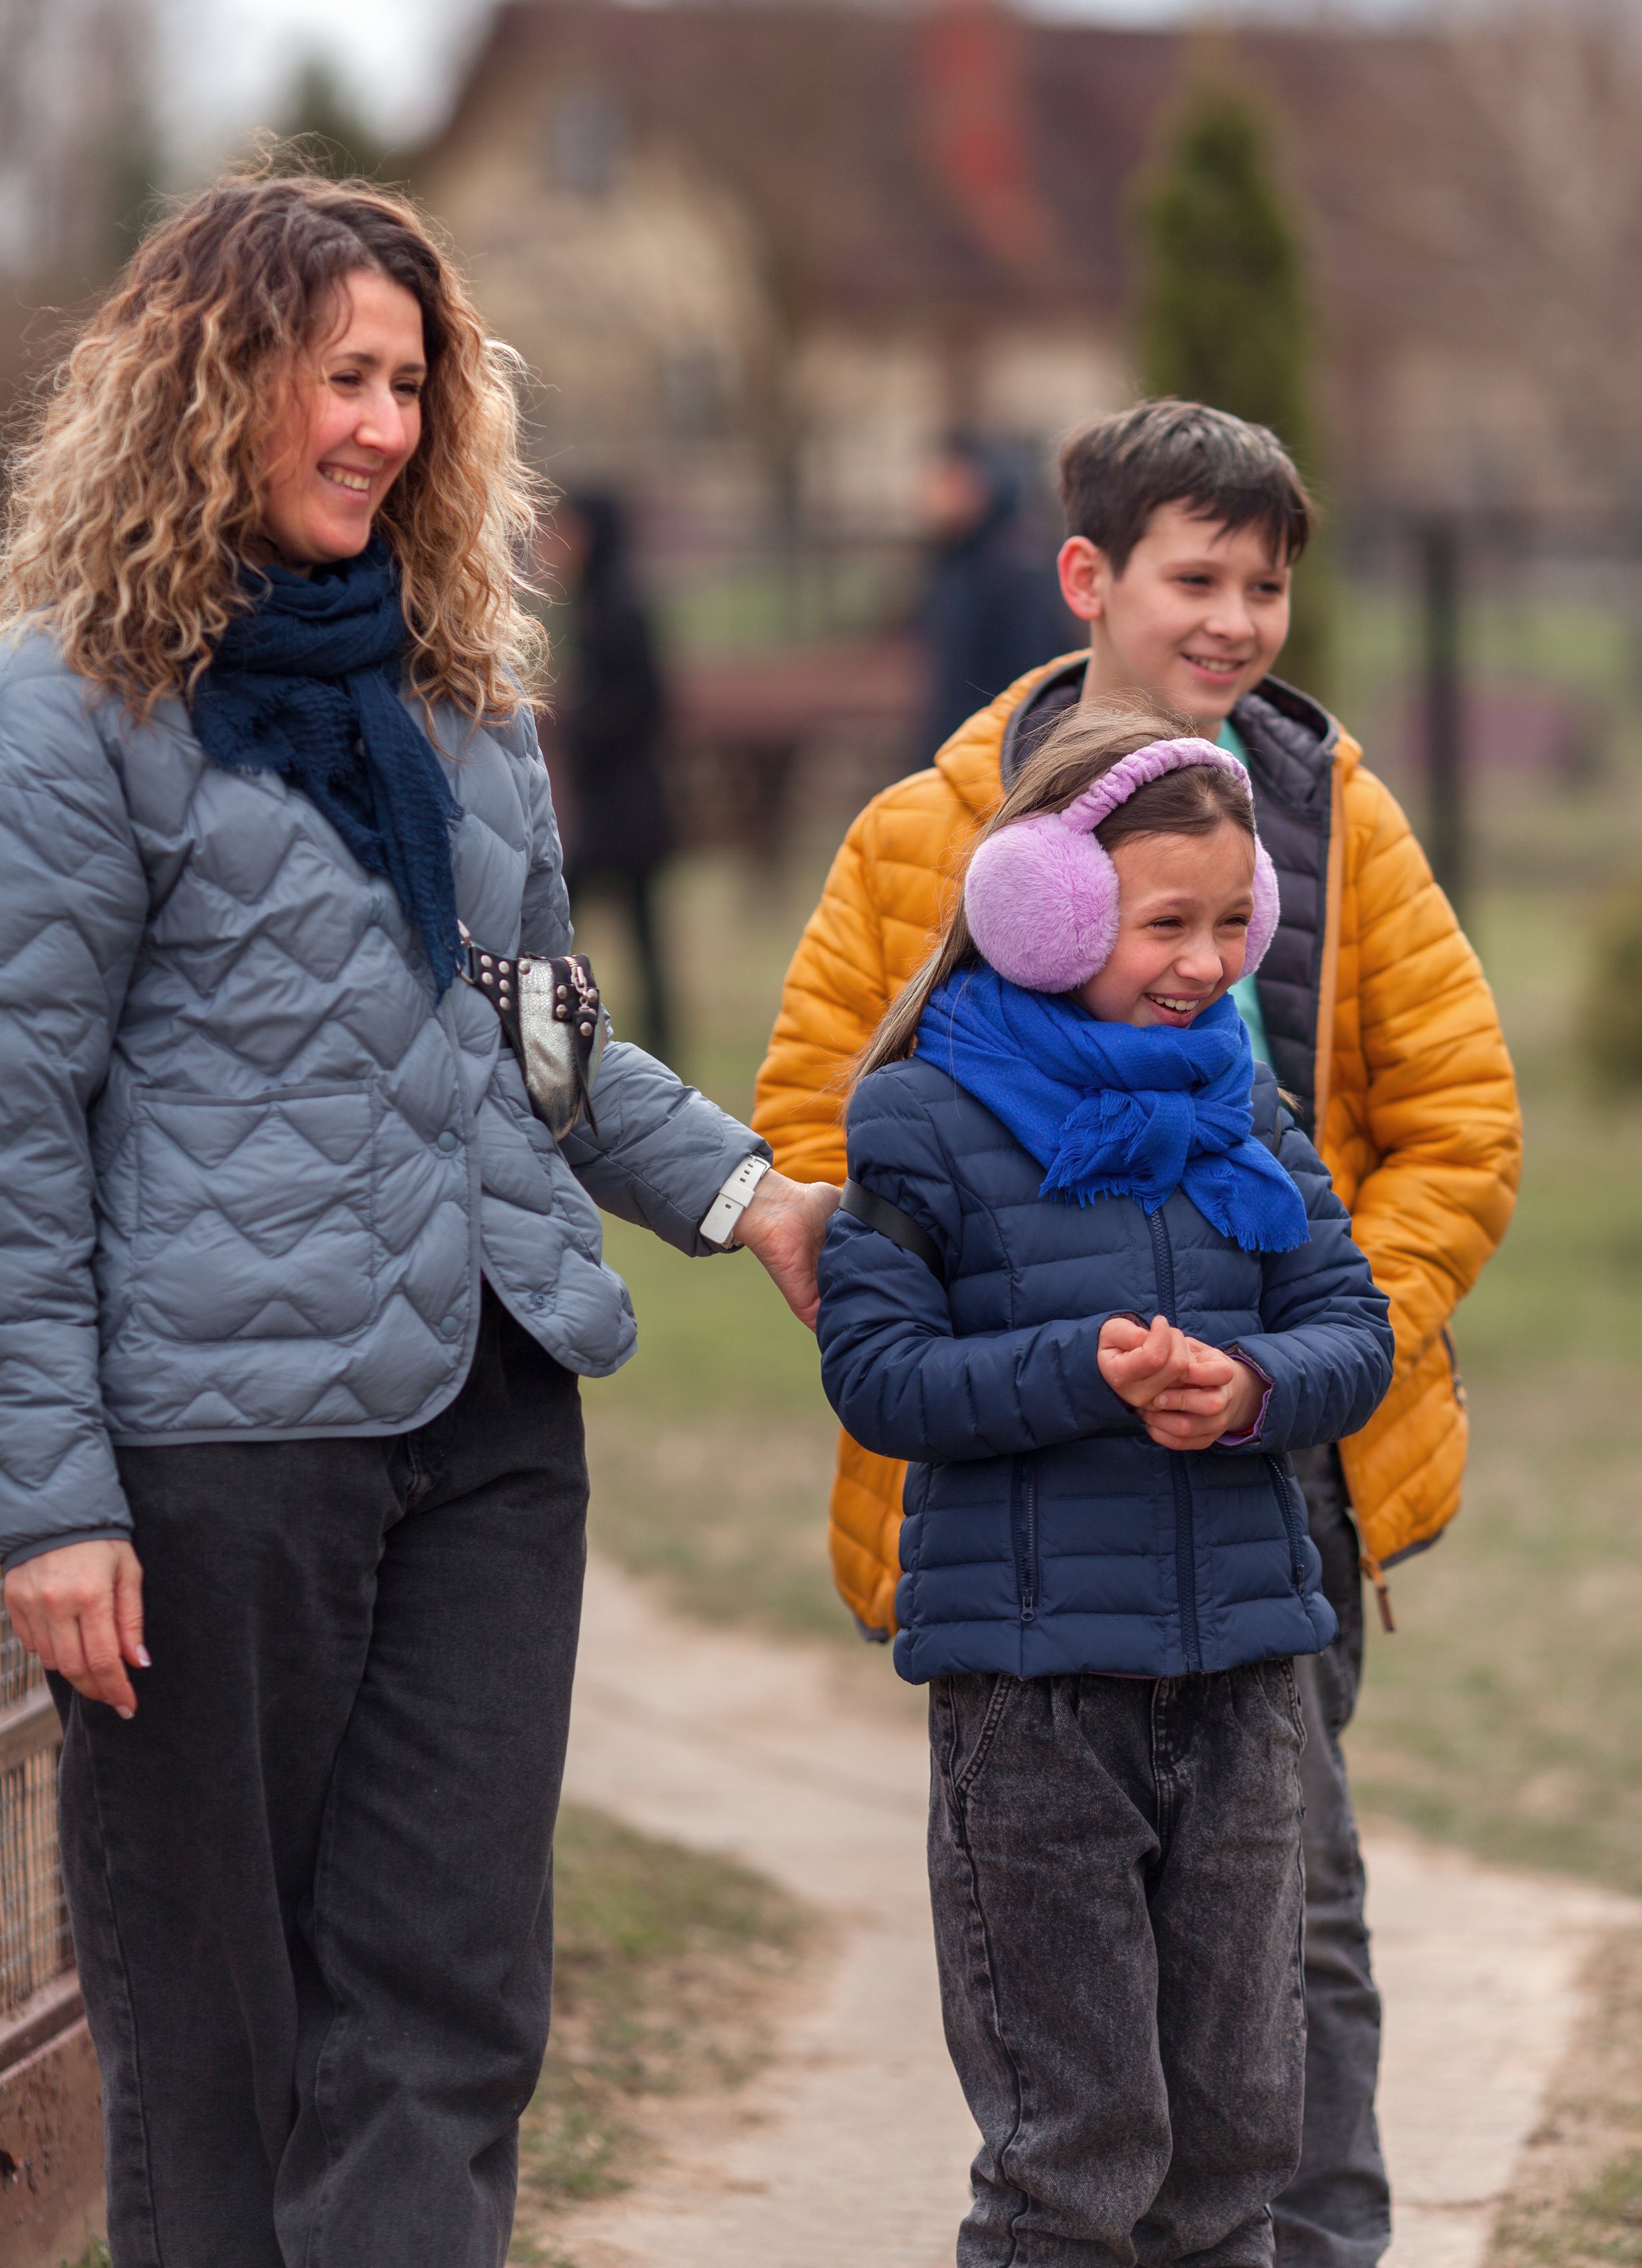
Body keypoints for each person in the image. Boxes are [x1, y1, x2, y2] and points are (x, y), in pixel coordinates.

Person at [0, 172, 836, 2268]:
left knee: (450, 2009)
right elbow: (15, 1114)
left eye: (408, 379)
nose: (378, 421)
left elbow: (540, 1039)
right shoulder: (75, 705)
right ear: (209, 384)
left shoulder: (458, 697)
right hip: (215, 1456)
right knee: (213, 2040)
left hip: (487, 1428)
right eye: (334, 374)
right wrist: (48, 1498)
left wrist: (747, 1197)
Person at [755, 399, 1523, 2268]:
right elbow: (810, 1127)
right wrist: (966, 1310)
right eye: (1200, 577)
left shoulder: (1340, 816)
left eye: (1268, 586)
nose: (1240, 620)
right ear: (1092, 578)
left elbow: (1463, 1117)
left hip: (1278, 1476)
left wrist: (1311, 1343)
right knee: (1074, 1994)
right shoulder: (929, 834)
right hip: (1029, 1515)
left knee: (1290, 1934)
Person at [815, 702, 1396, 2267]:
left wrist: (1257, 1384)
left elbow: (1354, 1326)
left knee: (1230, 2141)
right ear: (1040, 907)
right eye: (1163, 924)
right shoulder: (920, 1120)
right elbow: (876, 1375)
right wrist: (1084, 1366)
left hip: (1242, 1682)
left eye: (1230, 922)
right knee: (1074, 2151)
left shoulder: (1243, 1105)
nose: (1204, 964)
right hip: (1035, 1702)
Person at [554, 488, 677, 1066]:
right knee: (566, 926)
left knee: (562, 927)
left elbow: (647, 701)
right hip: (609, 804)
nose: (563, 545)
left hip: (626, 809)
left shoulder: (620, 606)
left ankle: (552, 1029)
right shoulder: (590, 603)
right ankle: (552, 1031)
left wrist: (581, 722)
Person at [916, 430, 1070, 760]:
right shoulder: (959, 559)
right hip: (959, 742)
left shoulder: (1013, 566)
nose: (935, 495)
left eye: (952, 482)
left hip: (998, 753)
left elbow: (1031, 668)